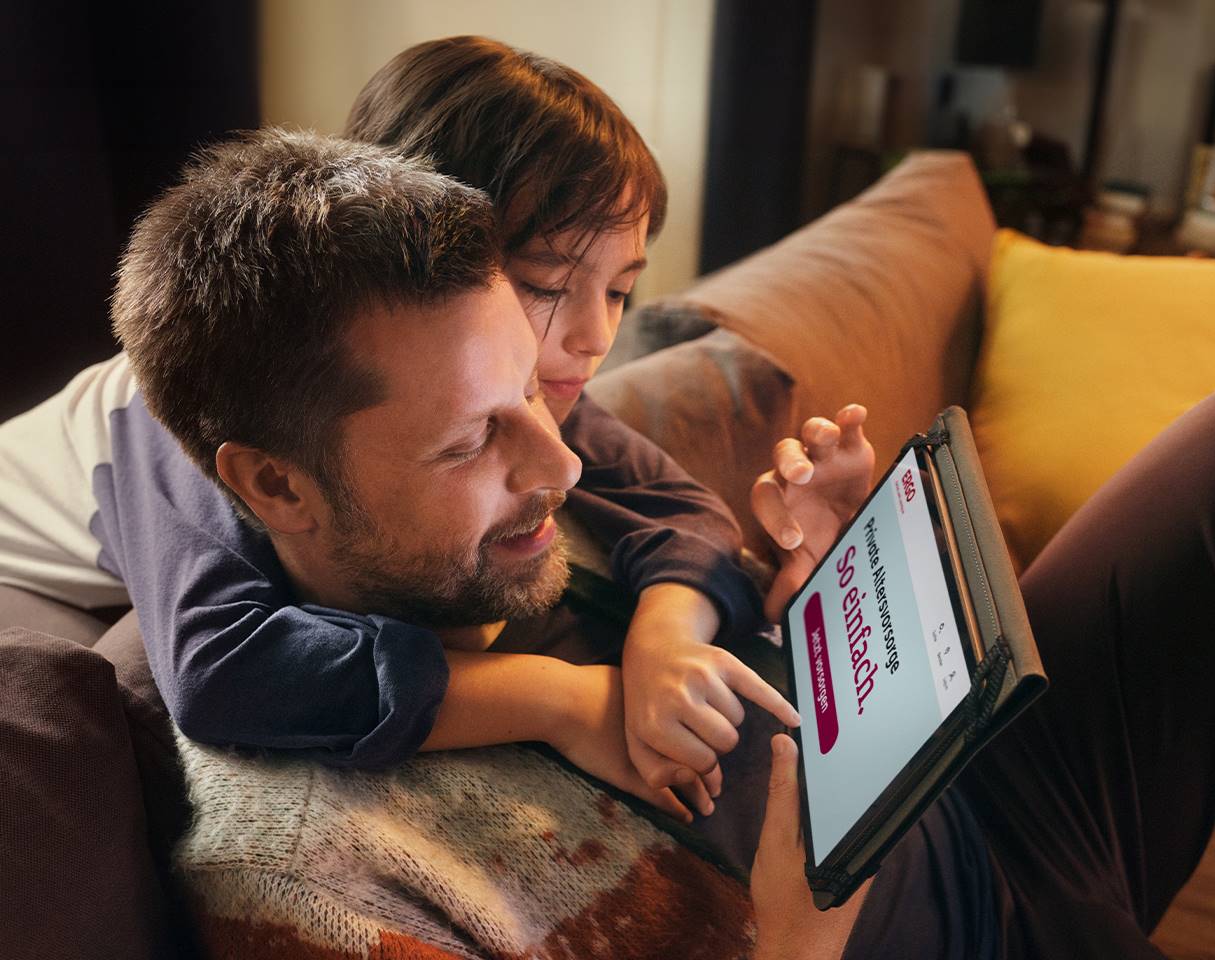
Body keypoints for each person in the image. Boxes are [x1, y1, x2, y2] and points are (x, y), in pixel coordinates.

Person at [118, 130, 1215, 959]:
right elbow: (154, 486)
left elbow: (675, 534)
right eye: (473, 443)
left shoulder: (486, 480)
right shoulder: (309, 858)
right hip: (944, 917)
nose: (560, 460)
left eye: (537, 384)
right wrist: (801, 941)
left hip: (967, 783)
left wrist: (795, 583)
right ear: (271, 486)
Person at [0, 36, 807, 822]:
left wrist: (664, 639)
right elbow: (223, 670)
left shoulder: (498, 371)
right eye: (546, 283)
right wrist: (561, 697)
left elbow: (679, 506)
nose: (595, 337)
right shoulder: (213, 416)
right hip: (32, 573)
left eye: (622, 290)